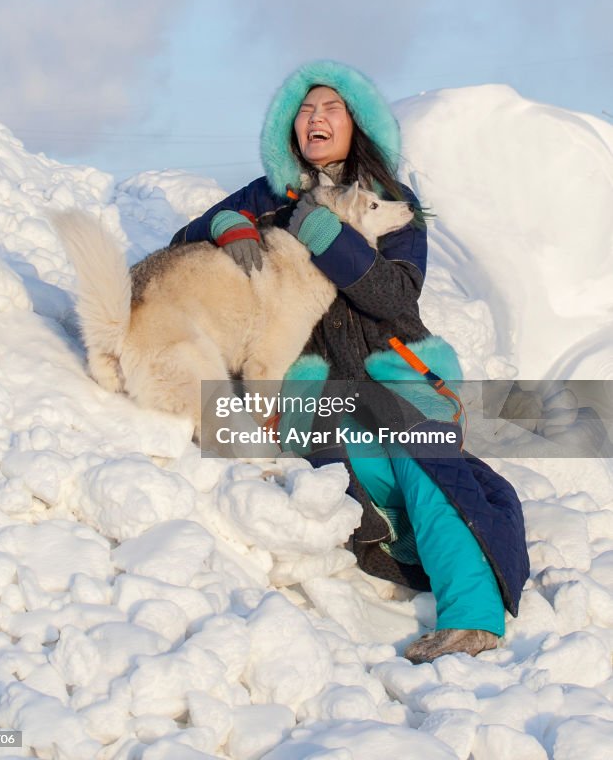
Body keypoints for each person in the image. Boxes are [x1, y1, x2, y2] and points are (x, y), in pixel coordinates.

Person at [171, 59, 529, 663]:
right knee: (353, 472)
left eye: (329, 108)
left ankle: (473, 620)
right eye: (304, 110)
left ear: (355, 123)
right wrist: (226, 224)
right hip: (320, 387)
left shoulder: (392, 201)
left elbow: (394, 295)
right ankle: (415, 540)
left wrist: (326, 236)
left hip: (395, 368)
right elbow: (185, 243)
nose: (315, 118)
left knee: (423, 459)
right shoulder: (267, 198)